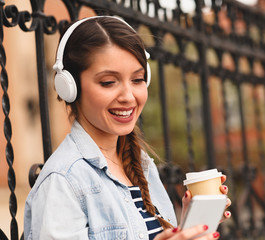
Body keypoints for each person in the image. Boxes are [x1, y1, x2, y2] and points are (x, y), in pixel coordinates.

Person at [24, 15, 231, 240]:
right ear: (69, 87)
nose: (128, 96)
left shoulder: (141, 166)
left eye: (138, 79)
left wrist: (189, 227)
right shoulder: (62, 182)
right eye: (108, 82)